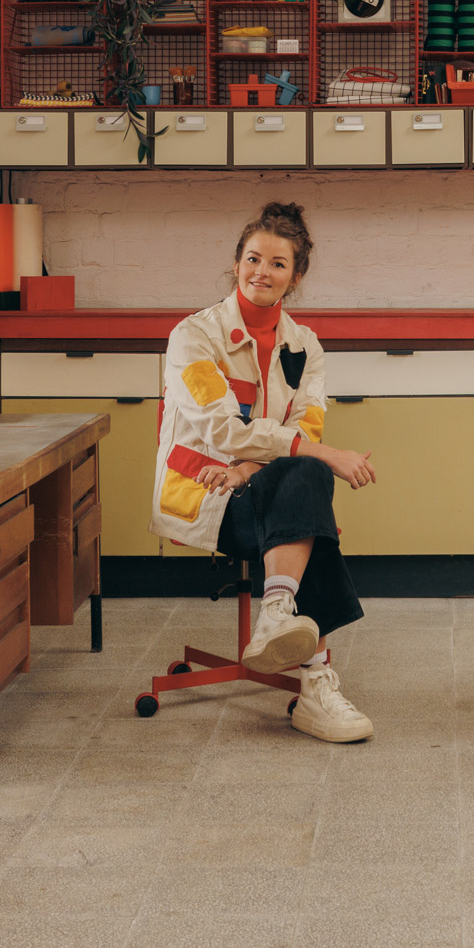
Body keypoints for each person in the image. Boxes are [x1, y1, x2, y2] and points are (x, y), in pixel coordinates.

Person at [150, 201, 379, 742]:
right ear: (236, 264)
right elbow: (221, 430)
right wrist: (319, 454)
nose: (262, 272)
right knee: (312, 487)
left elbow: (306, 428)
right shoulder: (193, 337)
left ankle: (277, 610)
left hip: (259, 489)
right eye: (253, 259)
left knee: (306, 478)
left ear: (295, 277)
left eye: (278, 263)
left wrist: (250, 468)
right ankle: (315, 683)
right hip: (203, 495)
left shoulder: (306, 346)